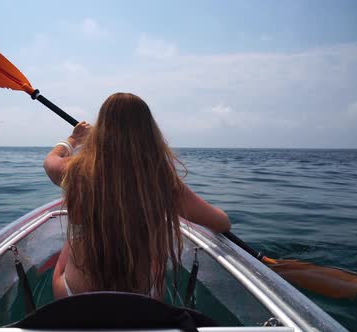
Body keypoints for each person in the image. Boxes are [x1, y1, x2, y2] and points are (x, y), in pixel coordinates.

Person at [43, 93, 231, 300]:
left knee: (73, 241)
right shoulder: (162, 180)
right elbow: (221, 223)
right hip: (142, 297)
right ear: (149, 133)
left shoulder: (75, 171)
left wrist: (73, 139)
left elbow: (51, 160)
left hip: (73, 294)